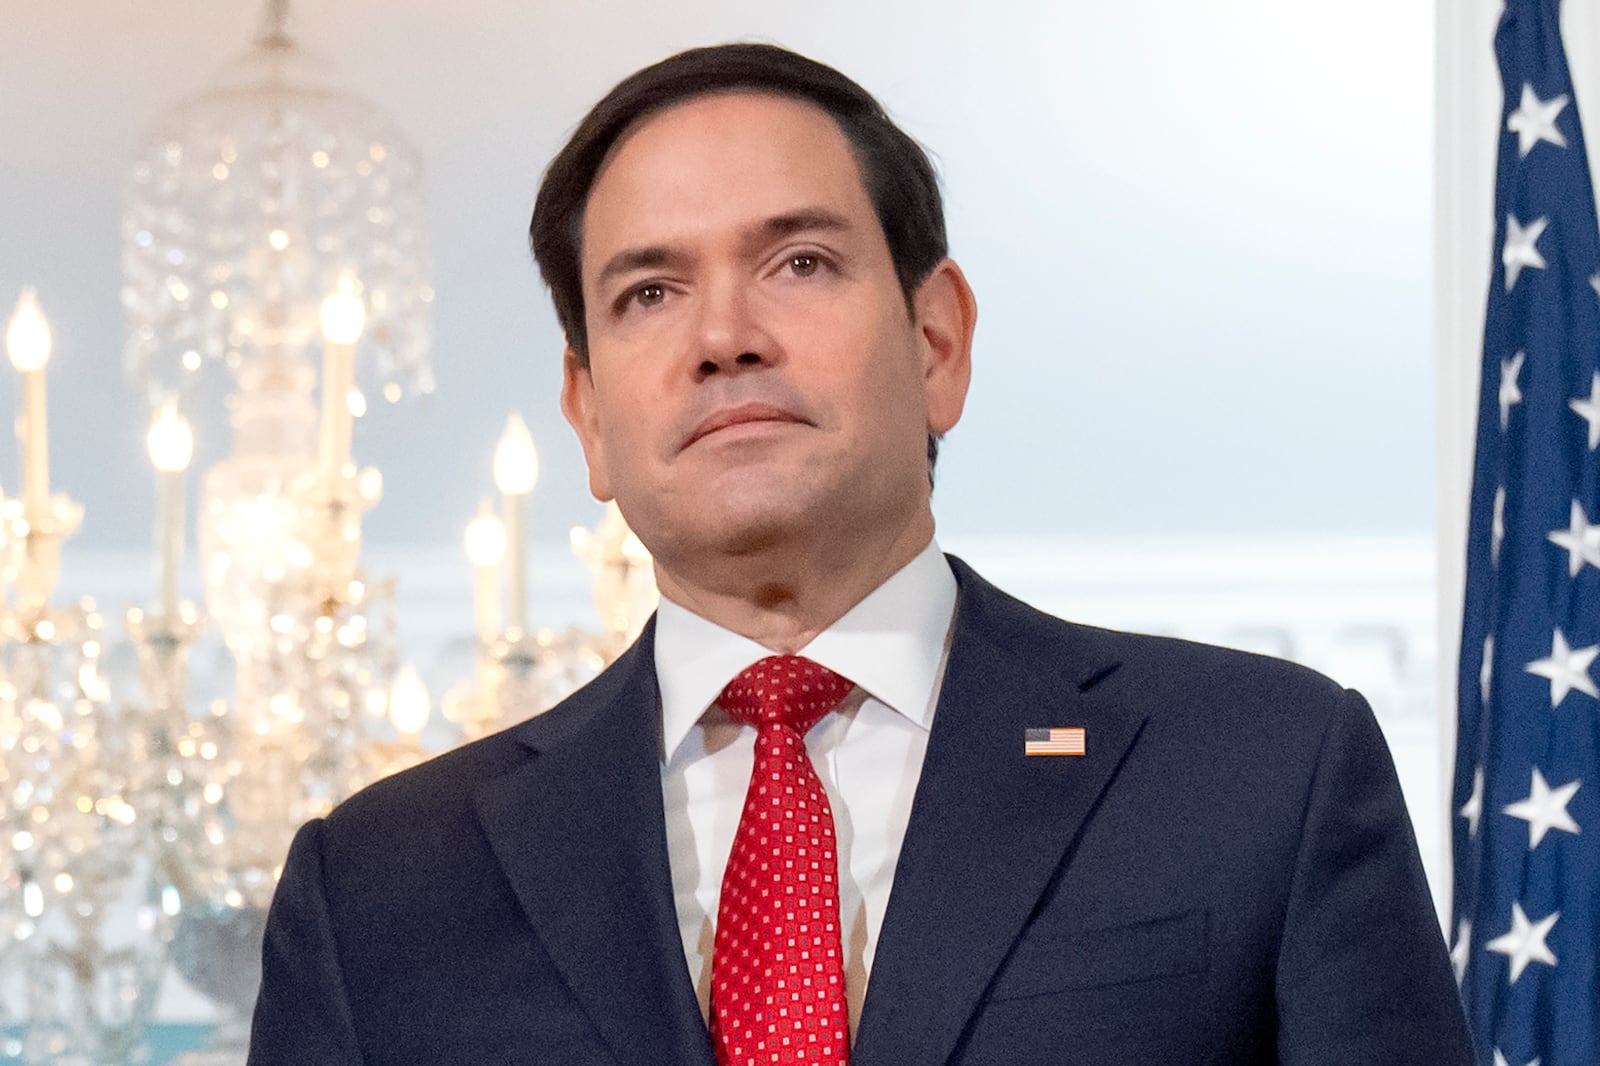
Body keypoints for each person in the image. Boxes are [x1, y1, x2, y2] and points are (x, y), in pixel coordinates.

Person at [248, 43, 1474, 1065]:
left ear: (936, 339)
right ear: (588, 417)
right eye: (648, 294)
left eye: (799, 262)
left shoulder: (1262, 767)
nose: (725, 335)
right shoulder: (376, 888)